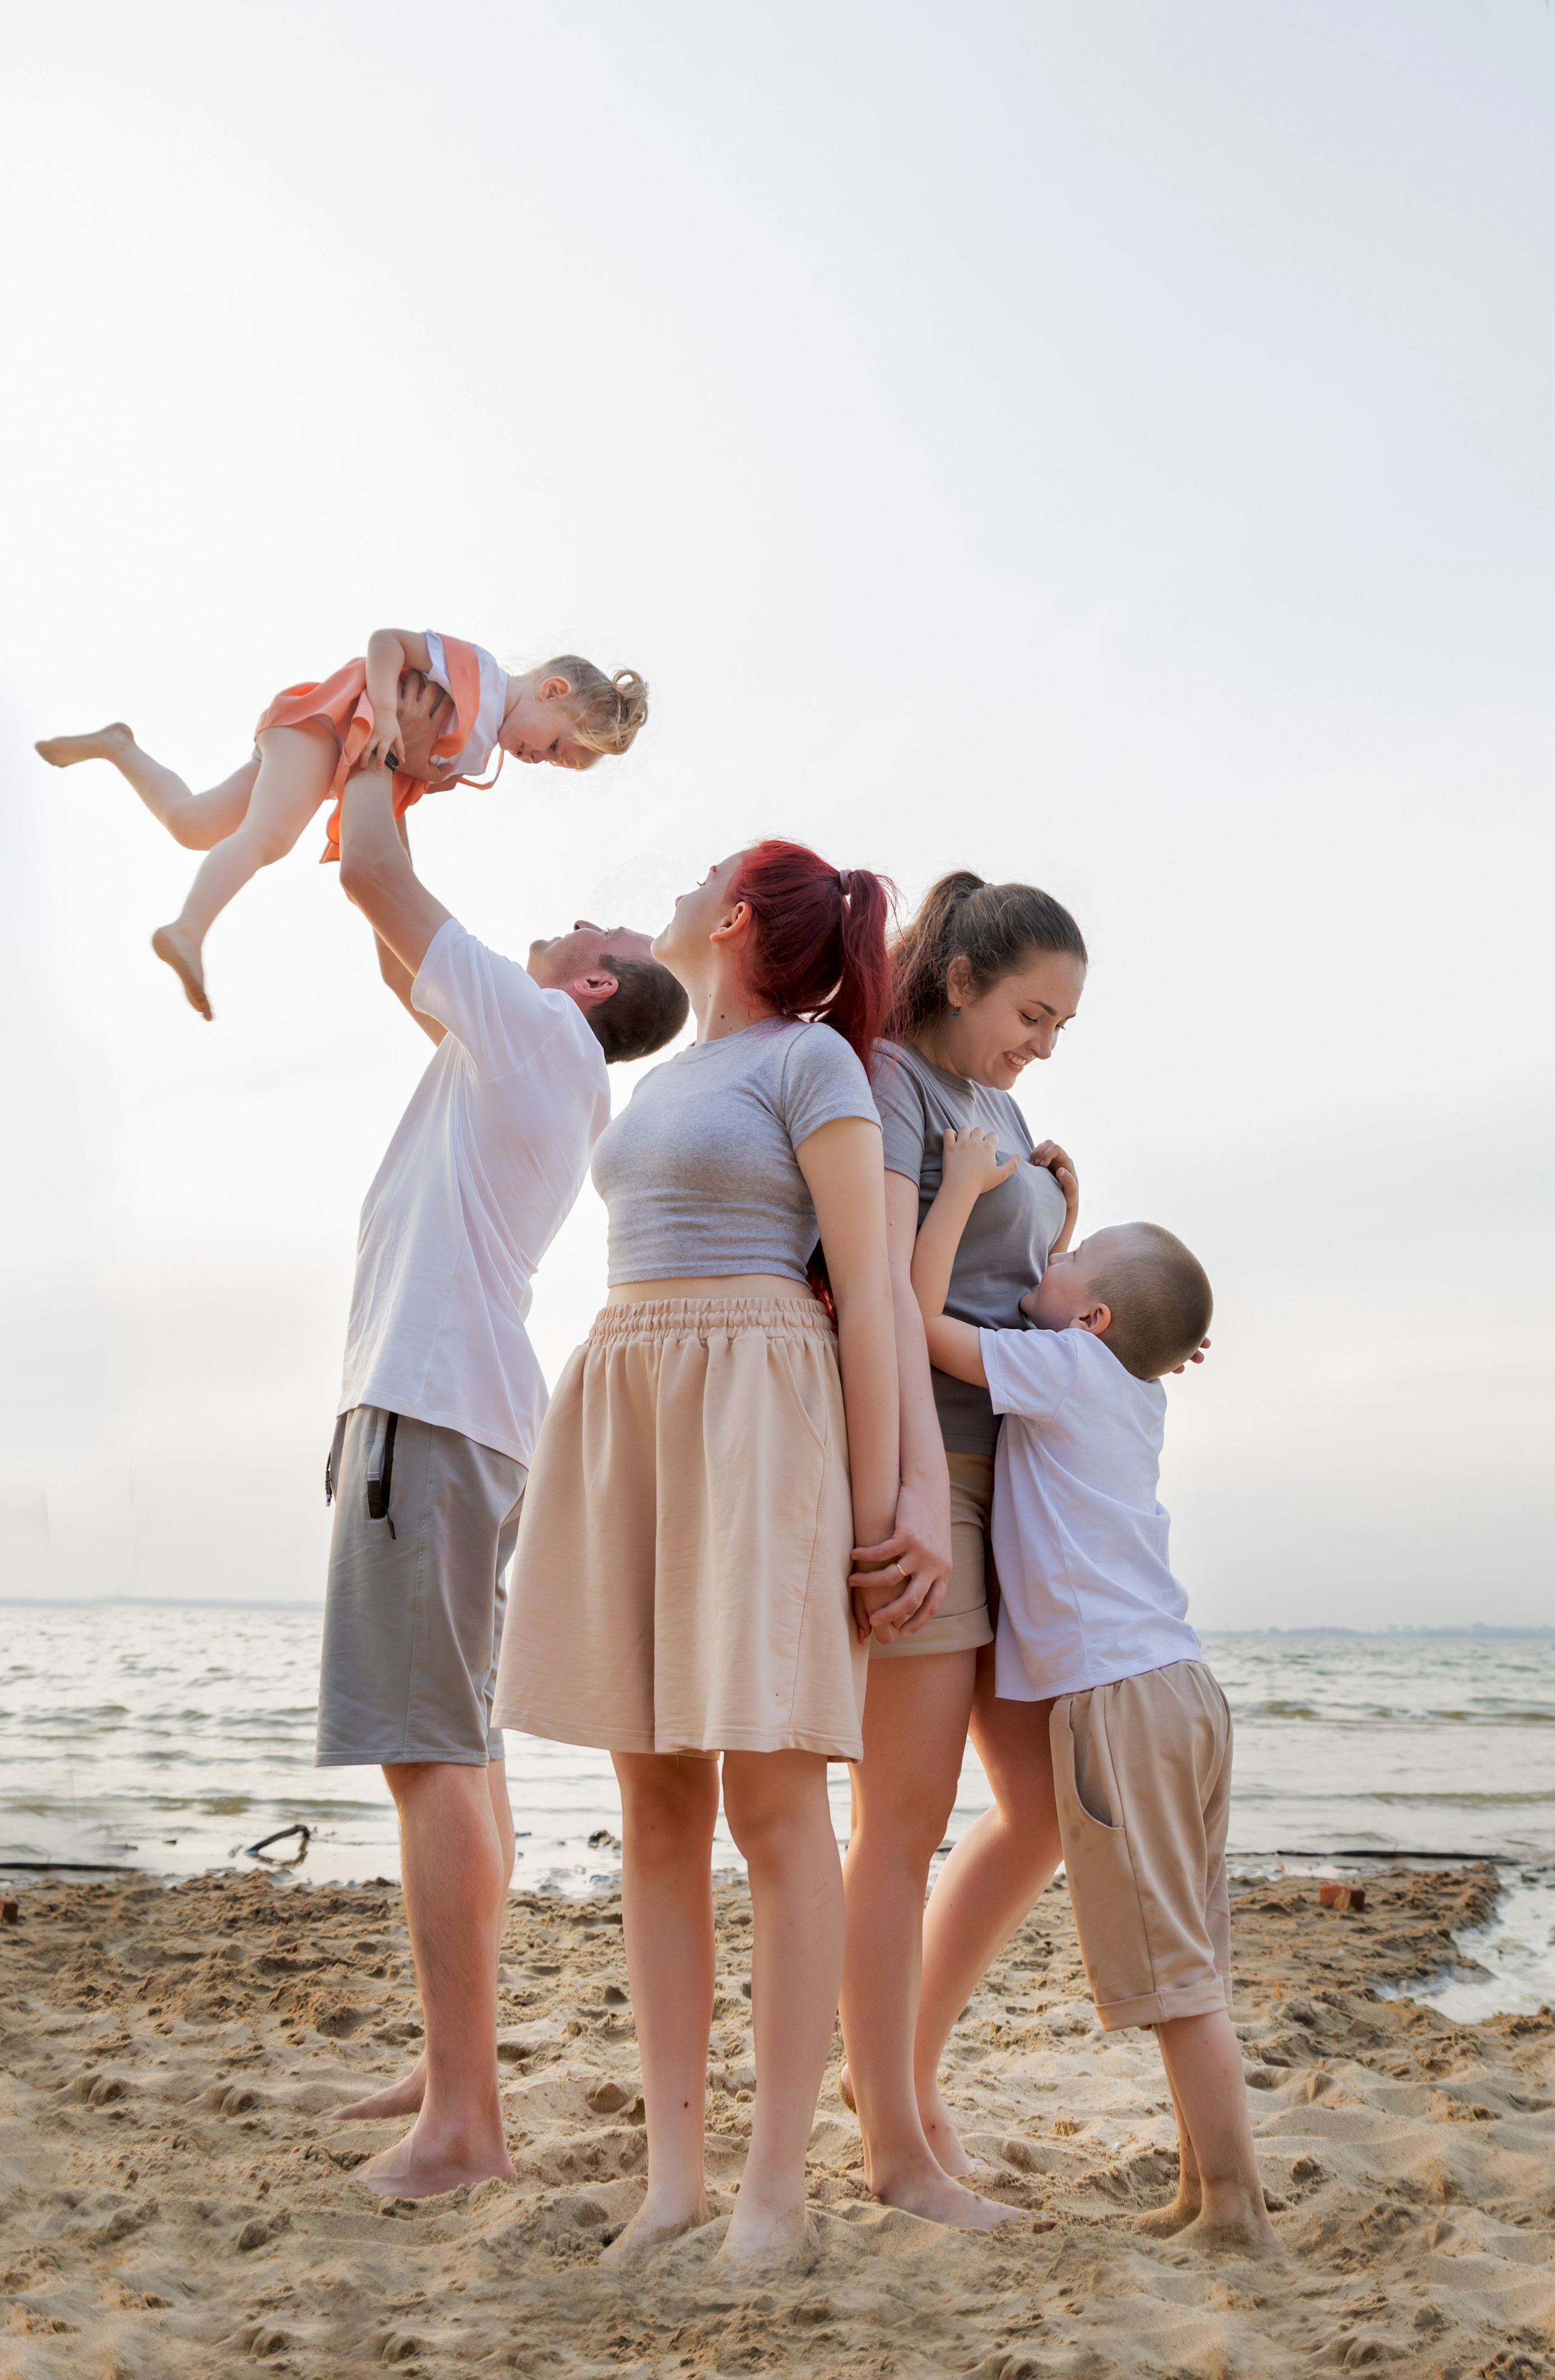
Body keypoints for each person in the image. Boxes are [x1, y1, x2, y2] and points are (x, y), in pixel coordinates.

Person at [495, 841, 990, 2268]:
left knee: (772, 1805)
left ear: (726, 919)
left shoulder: (815, 1067)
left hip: (760, 1406)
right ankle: (672, 2180)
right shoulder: (661, 1076)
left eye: (699, 871)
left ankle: (772, 2190)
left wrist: (892, 1488)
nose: (673, 882)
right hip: (633, 1396)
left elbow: (873, 1302)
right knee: (653, 1807)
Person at [312, 737, 687, 2203]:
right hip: (452, 1416)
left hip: (432, 1412)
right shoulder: (520, 1056)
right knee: (456, 1742)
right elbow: (385, 927)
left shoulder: (534, 1037)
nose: (566, 922)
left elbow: (366, 874)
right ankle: (446, 2060)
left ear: (586, 986)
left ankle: (464, 2117)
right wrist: (388, 800)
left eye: (585, 932)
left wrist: (371, 749)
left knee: (429, 1752)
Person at [913, 1128, 1280, 2259]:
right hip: (1179, 1691)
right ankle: (1201, 2187)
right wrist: (1066, 1236)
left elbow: (922, 1323)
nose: (1046, 1270)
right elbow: (1066, 1306)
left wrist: (966, 1191)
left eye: (1068, 1267)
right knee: (1192, 1951)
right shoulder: (1120, 1383)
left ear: (1096, 1322)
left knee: (1172, 1979)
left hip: (1117, 1705)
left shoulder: (1065, 1369)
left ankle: (1233, 2205)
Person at [837, 873, 1087, 2213]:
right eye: (1030, 1014)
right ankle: (892, 2146)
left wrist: (1066, 1209)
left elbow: (1014, 1286)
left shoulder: (1001, 1109)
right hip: (933, 1476)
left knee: (1037, 1812)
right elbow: (880, 1292)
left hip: (1026, 1487)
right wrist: (906, 1495)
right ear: (959, 978)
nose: (1039, 1044)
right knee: (901, 1822)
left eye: (1055, 1028)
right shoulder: (885, 1081)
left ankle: (905, 2082)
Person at [34, 630, 648, 1018]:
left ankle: (119, 746)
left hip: (329, 758)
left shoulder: (479, 752)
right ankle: (188, 930)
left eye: (556, 764)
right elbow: (387, 643)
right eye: (555, 746)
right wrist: (382, 709)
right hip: (326, 726)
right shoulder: (477, 677)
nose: (541, 760)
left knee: (195, 824)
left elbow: (402, 783)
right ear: (552, 689)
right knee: (268, 839)